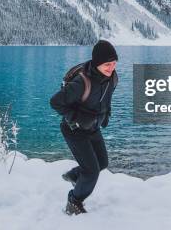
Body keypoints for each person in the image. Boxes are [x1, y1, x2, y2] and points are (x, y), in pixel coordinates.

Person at [49, 39, 119, 215]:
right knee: (91, 171)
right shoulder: (82, 82)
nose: (111, 68)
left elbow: (105, 98)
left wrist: (105, 115)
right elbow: (55, 102)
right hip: (74, 130)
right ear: (97, 64)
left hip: (93, 127)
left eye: (114, 63)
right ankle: (74, 201)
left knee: (102, 163)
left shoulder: (112, 78)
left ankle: (74, 176)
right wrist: (76, 118)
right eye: (107, 64)